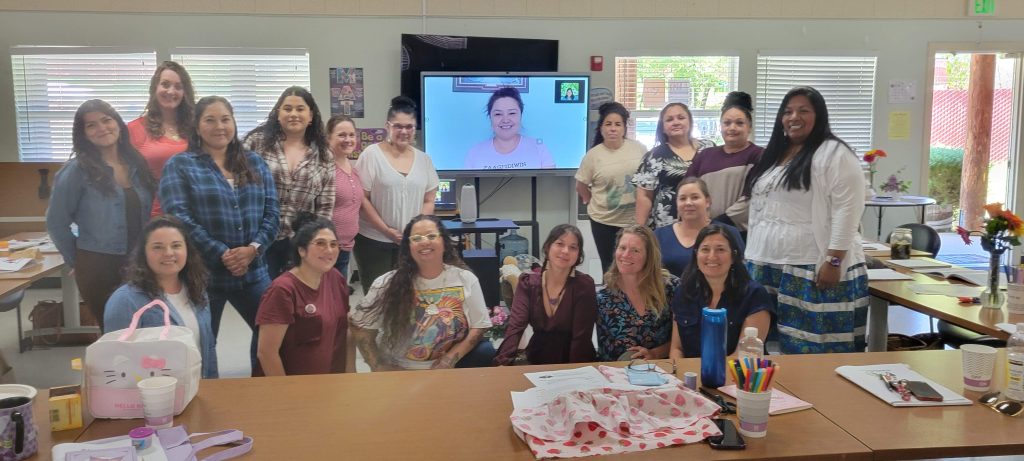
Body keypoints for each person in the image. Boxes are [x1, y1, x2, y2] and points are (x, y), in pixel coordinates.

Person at [742, 86, 867, 354]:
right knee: (766, 349)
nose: (793, 117)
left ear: (819, 115)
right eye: (787, 112)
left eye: (803, 111)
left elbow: (848, 209)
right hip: (766, 263)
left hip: (811, 266)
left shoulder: (834, 153)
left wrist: (834, 260)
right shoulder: (776, 154)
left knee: (810, 349)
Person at [159, 96, 279, 370]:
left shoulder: (255, 163)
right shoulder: (180, 165)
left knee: (270, 337)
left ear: (234, 122)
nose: (219, 126)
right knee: (201, 344)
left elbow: (272, 213)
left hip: (253, 272)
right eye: (210, 120)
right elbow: (179, 219)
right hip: (204, 275)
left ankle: (265, 393)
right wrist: (221, 252)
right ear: (197, 126)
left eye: (225, 119)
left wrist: (254, 249)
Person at [47, 99, 156, 329]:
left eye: (106, 120)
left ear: (118, 123)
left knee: (147, 327)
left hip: (141, 260)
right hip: (99, 265)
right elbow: (56, 222)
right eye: (91, 125)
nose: (102, 128)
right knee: (113, 331)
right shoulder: (76, 171)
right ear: (83, 134)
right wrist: (75, 259)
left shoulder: (137, 164)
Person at [350, 215, 493, 371]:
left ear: (444, 243)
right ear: (408, 247)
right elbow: (360, 327)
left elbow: (479, 325)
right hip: (400, 368)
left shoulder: (465, 279)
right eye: (417, 238)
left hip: (450, 366)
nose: (425, 242)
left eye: (431, 236)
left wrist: (449, 360)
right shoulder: (386, 283)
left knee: (486, 351)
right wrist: (377, 365)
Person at [104, 215, 218, 378]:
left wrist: (213, 386)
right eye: (158, 247)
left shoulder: (197, 290)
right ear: (144, 253)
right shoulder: (125, 301)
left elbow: (208, 347)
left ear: (187, 250)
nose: (168, 253)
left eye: (176, 245)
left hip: (198, 388)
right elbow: (114, 360)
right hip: (152, 397)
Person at [244, 86, 334, 280]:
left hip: (298, 243)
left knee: (294, 299)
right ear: (278, 114)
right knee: (262, 300)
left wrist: (314, 243)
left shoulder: (324, 155)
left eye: (300, 109)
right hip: (258, 240)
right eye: (287, 109)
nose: (293, 114)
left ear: (311, 116)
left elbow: (325, 208)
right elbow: (237, 188)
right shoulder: (255, 143)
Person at [353, 96, 439, 294]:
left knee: (408, 295)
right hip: (373, 240)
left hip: (411, 242)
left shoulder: (424, 160)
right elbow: (362, 198)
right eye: (398, 126)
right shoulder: (371, 155)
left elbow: (429, 199)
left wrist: (416, 230)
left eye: (409, 127)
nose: (404, 132)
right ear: (387, 126)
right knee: (377, 297)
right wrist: (386, 230)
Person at [255, 212, 352, 376]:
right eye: (320, 243)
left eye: (334, 244)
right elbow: (266, 353)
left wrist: (350, 371)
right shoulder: (283, 290)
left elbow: (345, 329)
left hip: (332, 380)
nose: (329, 250)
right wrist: (287, 393)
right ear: (302, 250)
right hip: (294, 387)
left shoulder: (335, 278)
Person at [492, 225, 597, 366]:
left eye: (573, 247)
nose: (565, 251)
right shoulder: (528, 284)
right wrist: (501, 363)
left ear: (578, 255)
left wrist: (574, 374)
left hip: (577, 360)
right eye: (560, 244)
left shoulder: (584, 285)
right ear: (548, 248)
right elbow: (515, 328)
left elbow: (581, 338)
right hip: (536, 359)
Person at [669, 225, 773, 359]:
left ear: (734, 256)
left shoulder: (754, 295)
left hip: (736, 376)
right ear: (696, 255)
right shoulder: (684, 292)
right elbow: (677, 349)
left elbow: (744, 356)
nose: (712, 256)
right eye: (705, 249)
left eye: (720, 249)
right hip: (690, 376)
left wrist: (709, 375)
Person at [575, 102, 646, 271]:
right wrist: (590, 200)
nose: (613, 129)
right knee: (610, 267)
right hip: (603, 222)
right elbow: (581, 186)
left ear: (624, 128)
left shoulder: (639, 150)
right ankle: (613, 297)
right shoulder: (593, 155)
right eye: (608, 124)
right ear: (601, 128)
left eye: (617, 124)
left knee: (635, 266)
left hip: (634, 222)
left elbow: (648, 181)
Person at [595, 225, 677, 361]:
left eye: (635, 250)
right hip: (615, 373)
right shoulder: (602, 297)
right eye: (622, 248)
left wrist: (655, 354)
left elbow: (683, 341)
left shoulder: (671, 288)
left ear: (649, 256)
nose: (626, 255)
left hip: (660, 371)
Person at [685, 91, 762, 229]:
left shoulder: (759, 156)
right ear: (721, 127)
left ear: (749, 127)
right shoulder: (704, 155)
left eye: (739, 123)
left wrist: (719, 223)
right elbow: (687, 190)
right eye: (727, 123)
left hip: (741, 233)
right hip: (702, 231)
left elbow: (753, 198)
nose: (732, 128)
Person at [127, 61, 196, 216]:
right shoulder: (134, 129)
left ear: (185, 93)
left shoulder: (195, 129)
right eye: (165, 84)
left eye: (178, 87)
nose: (171, 91)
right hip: (151, 215)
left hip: (192, 214)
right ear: (154, 88)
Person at [633, 102, 715, 228]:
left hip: (704, 223)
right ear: (663, 127)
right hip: (666, 226)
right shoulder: (654, 156)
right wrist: (639, 231)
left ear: (690, 122)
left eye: (681, 118)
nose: (676, 122)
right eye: (669, 120)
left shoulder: (709, 149)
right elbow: (644, 197)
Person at [654, 177, 744, 277]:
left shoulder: (729, 233)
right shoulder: (659, 235)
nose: (688, 203)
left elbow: (741, 275)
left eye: (695, 197)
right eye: (683, 198)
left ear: (707, 201)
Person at [463, 87, 555, 170]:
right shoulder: (475, 153)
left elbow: (550, 184)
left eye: (512, 113)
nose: (505, 120)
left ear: (520, 115)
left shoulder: (539, 148)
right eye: (498, 114)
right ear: (490, 118)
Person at [326, 115, 361, 277]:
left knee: (338, 296)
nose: (348, 139)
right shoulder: (324, 169)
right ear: (328, 138)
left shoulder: (352, 168)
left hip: (346, 248)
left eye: (352, 135)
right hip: (326, 249)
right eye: (341, 135)